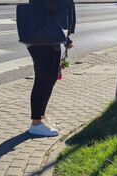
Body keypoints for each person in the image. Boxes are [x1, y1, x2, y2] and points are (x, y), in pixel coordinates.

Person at [26, 0, 76, 137]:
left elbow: (55, 15)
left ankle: (41, 118)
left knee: (51, 78)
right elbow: (50, 6)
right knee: (42, 80)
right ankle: (35, 123)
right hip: (41, 40)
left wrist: (66, 38)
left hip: (51, 38)